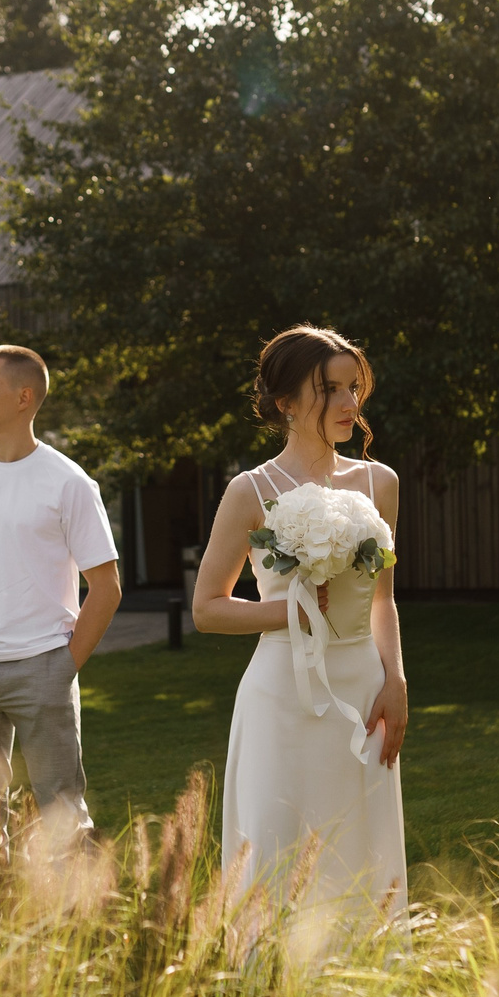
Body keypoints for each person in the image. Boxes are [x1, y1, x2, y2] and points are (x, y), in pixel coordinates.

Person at [193, 325, 409, 923]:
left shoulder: (380, 483)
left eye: (352, 388)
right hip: (280, 694)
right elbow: (207, 608)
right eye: (329, 390)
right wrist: (295, 609)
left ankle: (361, 969)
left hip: (362, 691)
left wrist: (396, 680)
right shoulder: (250, 491)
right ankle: (266, 972)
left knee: (360, 845)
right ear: (286, 402)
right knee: (275, 843)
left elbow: (382, 600)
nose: (348, 403)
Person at [0, 344, 122, 869]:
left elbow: (106, 586)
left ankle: (74, 913)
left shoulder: (69, 483)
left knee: (62, 813)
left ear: (24, 397)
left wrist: (63, 667)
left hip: (42, 668)